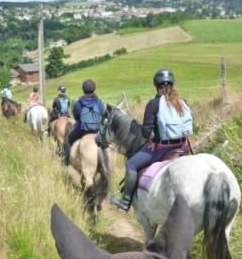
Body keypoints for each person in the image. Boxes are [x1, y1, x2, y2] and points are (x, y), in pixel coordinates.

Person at [110, 68, 193, 212]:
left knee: (131, 165)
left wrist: (153, 132)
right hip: (183, 146)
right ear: (172, 83)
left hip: (162, 149)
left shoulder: (154, 104)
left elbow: (146, 132)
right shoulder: (182, 101)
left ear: (156, 85)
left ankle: (125, 202)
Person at [63, 79, 104, 166]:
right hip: (97, 130)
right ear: (94, 89)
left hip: (83, 130)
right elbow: (102, 114)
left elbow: (76, 116)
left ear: (83, 89)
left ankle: (66, 161)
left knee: (68, 140)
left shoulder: (79, 103)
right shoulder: (99, 102)